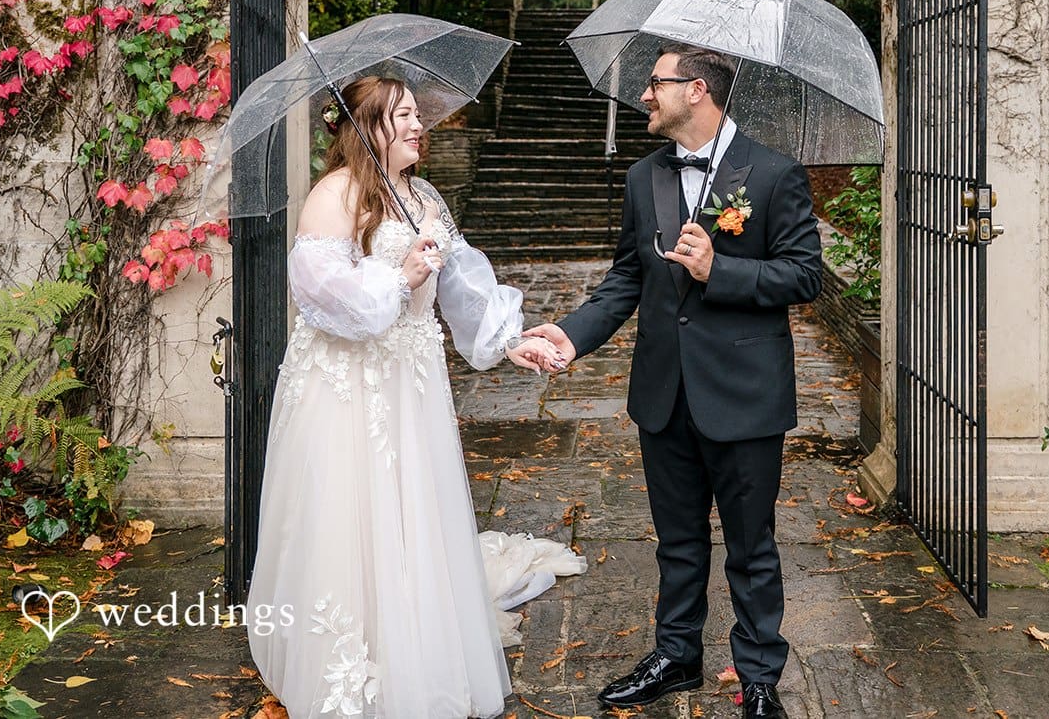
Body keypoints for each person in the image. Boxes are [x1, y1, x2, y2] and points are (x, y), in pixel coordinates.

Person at [245, 75, 576, 719]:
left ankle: (416, 645)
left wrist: (511, 342)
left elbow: (464, 287)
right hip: (347, 391)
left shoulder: (424, 197)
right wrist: (401, 276)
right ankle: (353, 654)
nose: (421, 124)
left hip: (412, 385)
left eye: (419, 113)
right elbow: (320, 297)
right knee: (350, 514)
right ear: (367, 126)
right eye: (405, 114)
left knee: (411, 512)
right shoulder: (332, 198)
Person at [526, 44, 822, 719]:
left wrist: (721, 269)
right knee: (678, 541)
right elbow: (627, 276)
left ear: (695, 90)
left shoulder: (774, 174)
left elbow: (806, 275)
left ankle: (758, 676)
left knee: (752, 547)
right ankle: (676, 654)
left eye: (654, 85)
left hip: (744, 394)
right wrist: (571, 334)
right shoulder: (643, 177)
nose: (645, 98)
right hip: (663, 393)